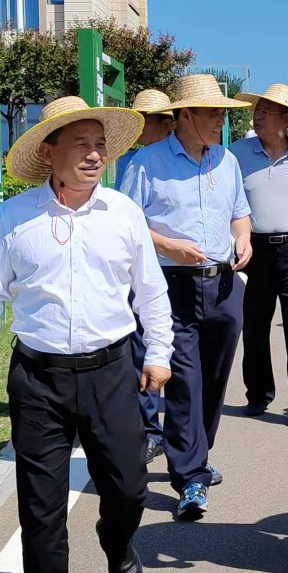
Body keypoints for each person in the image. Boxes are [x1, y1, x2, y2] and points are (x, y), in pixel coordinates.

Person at [0, 97, 174, 573]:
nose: (93, 154)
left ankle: (117, 543)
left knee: (128, 489)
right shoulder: (17, 218)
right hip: (38, 379)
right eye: (80, 143)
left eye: (100, 145)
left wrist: (160, 352)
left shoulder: (123, 213)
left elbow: (151, 290)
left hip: (111, 372)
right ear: (49, 150)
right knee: (41, 507)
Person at [120, 74, 252, 521]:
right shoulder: (146, 163)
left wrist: (244, 238)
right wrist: (168, 246)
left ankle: (196, 450)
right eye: (213, 113)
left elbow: (240, 216)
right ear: (186, 115)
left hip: (224, 286)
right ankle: (190, 475)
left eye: (222, 113)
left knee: (213, 381)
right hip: (171, 286)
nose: (220, 121)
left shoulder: (228, 162)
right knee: (184, 382)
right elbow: (128, 225)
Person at [230, 83, 288, 428]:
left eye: (267, 112)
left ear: (287, 119)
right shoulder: (237, 153)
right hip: (254, 250)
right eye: (257, 110)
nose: (258, 116)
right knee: (254, 325)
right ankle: (258, 393)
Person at [117, 89, 176, 464]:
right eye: (136, 120)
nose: (140, 128)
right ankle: (150, 429)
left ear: (168, 123)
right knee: (142, 350)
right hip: (142, 270)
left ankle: (182, 437)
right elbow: (125, 219)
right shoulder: (129, 160)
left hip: (180, 270)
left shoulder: (185, 159)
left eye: (147, 120)